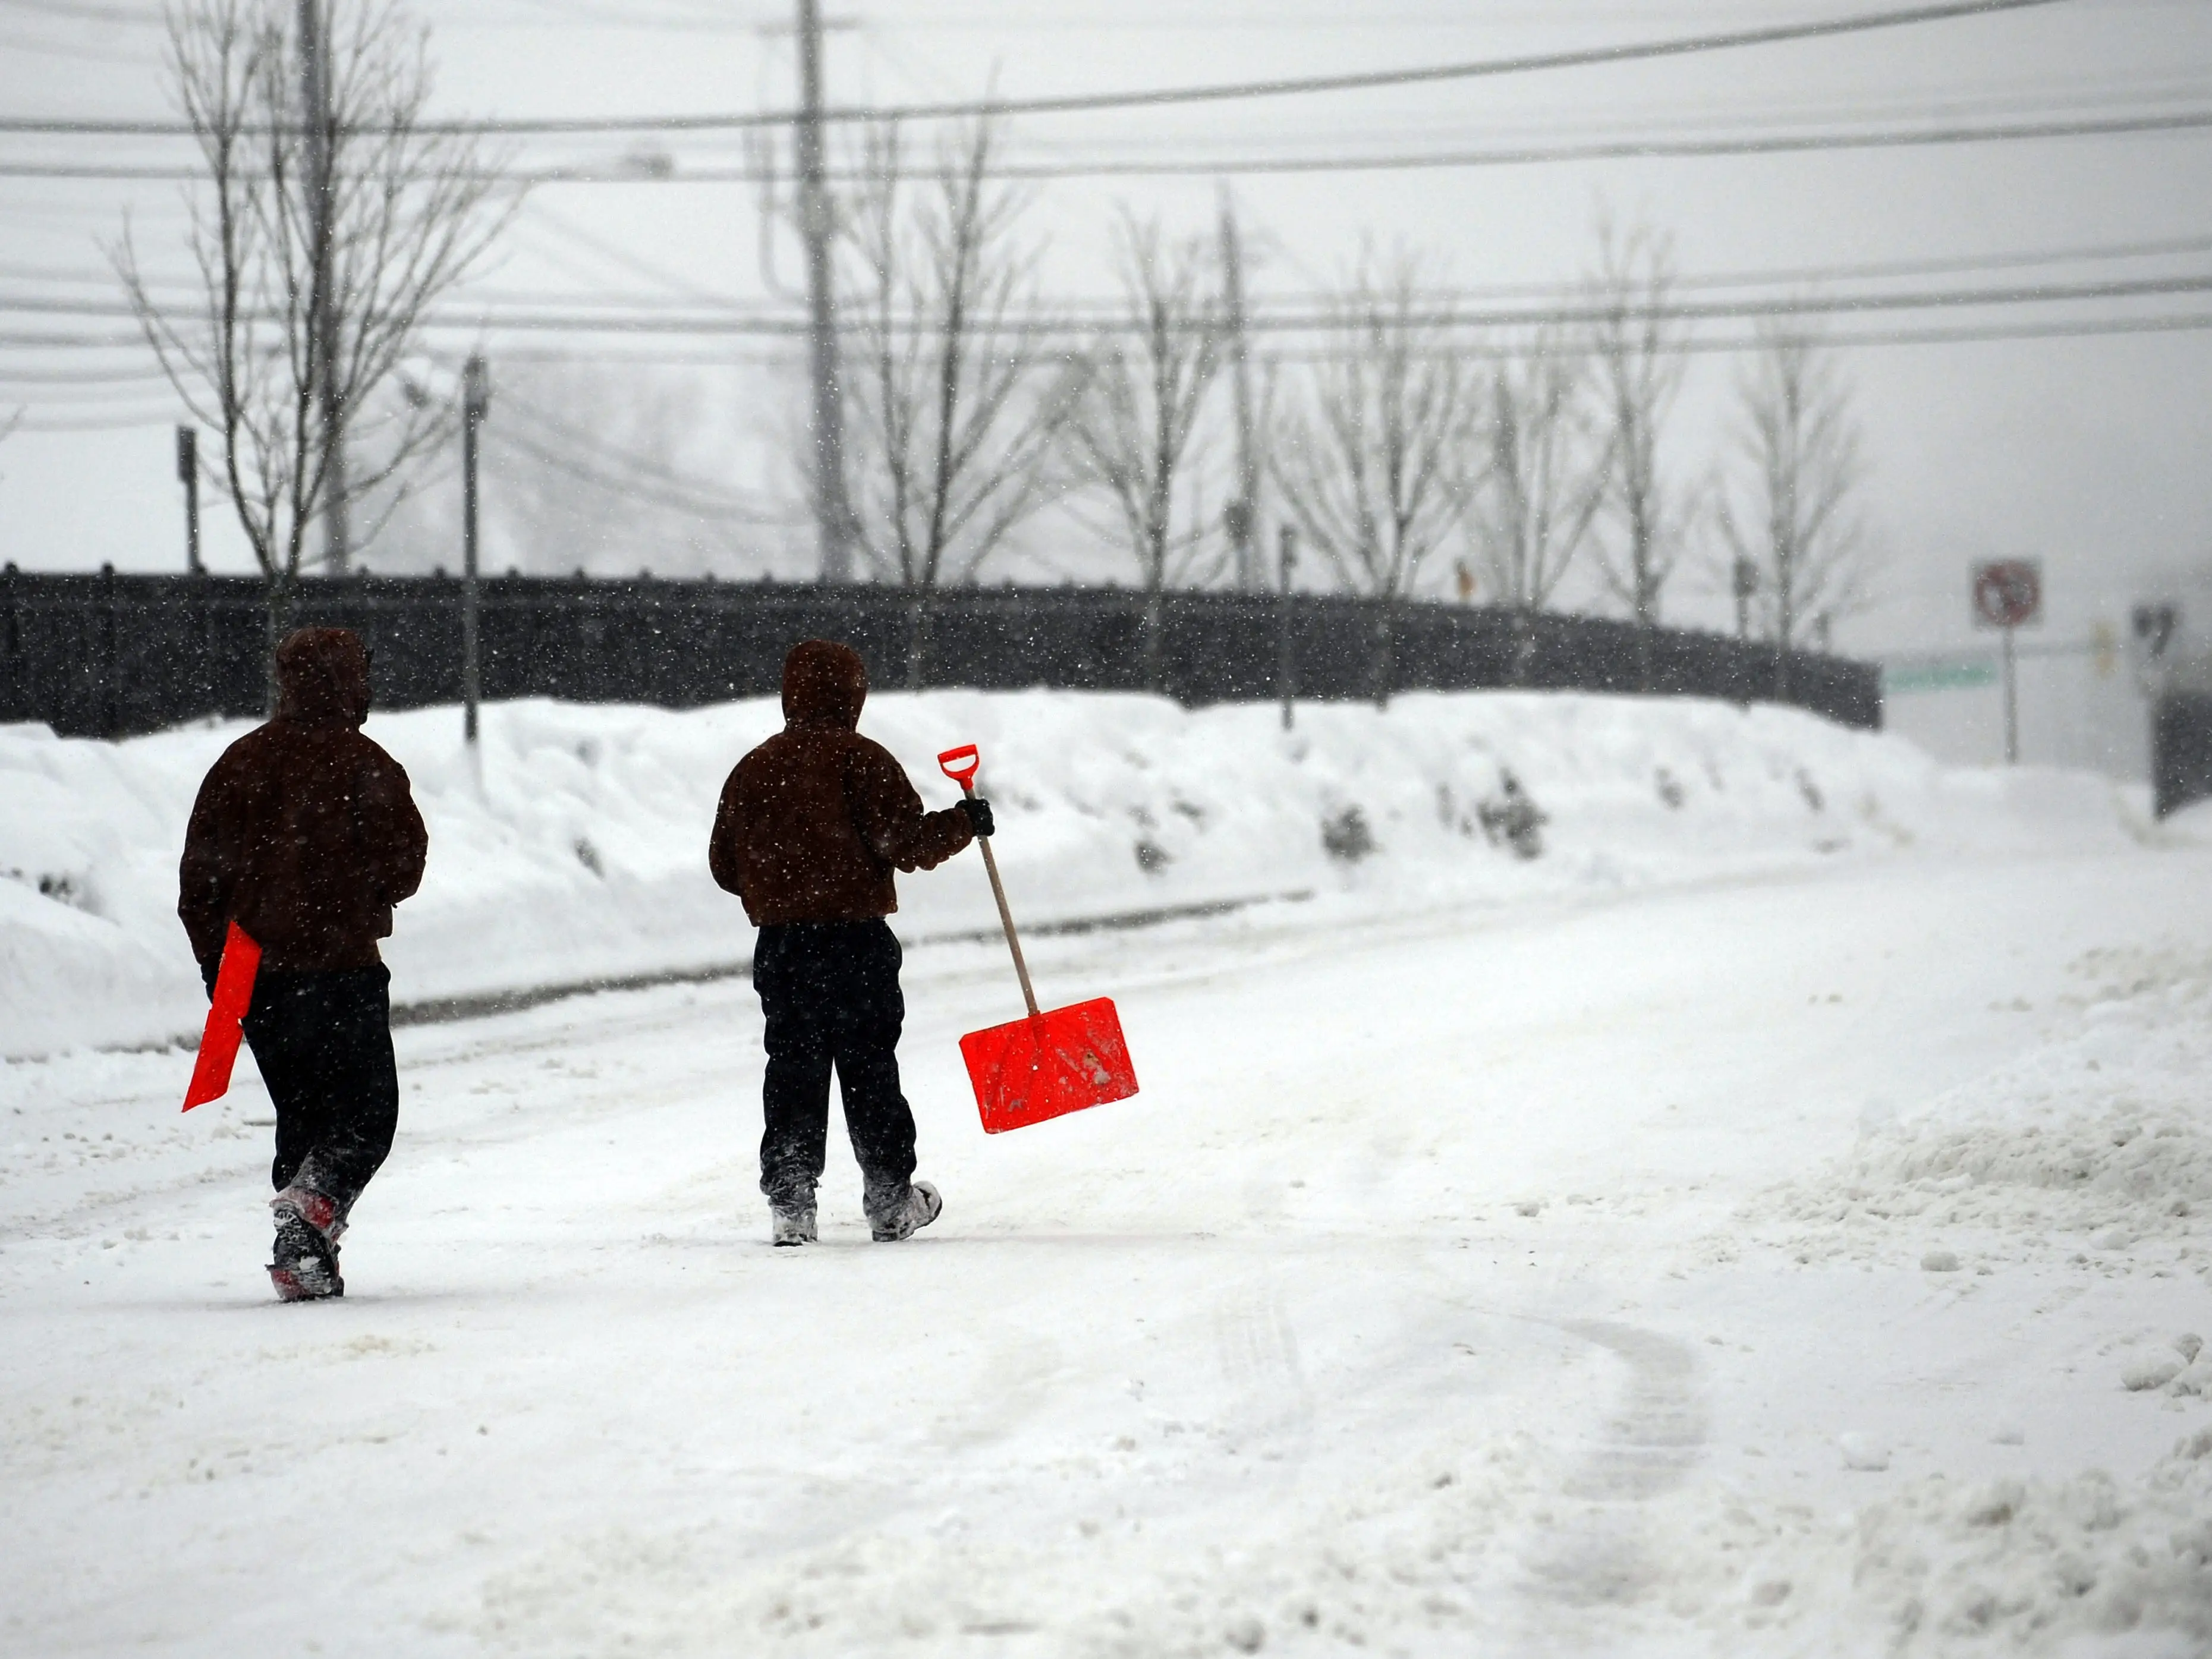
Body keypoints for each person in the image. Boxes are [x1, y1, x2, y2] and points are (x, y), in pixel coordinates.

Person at [709, 639, 992, 1246]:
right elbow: (907, 842)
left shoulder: (755, 767)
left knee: (793, 1066)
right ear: (853, 693)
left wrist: (782, 886)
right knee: (868, 1067)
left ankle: (791, 1200)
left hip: (782, 947)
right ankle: (891, 1198)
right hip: (856, 943)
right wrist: (964, 823)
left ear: (790, 692)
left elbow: (724, 865)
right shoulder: (862, 759)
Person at [178, 627, 427, 1301]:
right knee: (367, 1113)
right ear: (349, 679)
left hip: (250, 972)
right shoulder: (364, 764)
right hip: (340, 964)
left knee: (302, 1110)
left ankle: (303, 1252)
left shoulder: (239, 763)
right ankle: (308, 1213)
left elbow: (199, 880)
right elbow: (404, 868)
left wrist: (219, 966)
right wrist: (355, 891)